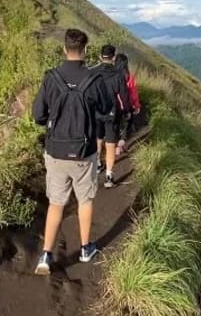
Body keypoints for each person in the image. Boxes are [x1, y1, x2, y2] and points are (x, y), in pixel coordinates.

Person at [32, 28, 113, 275]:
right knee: (85, 200)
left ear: (64, 49)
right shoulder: (94, 80)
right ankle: (86, 249)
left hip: (55, 151)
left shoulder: (51, 77)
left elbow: (37, 115)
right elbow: (106, 109)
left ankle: (46, 254)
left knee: (56, 203)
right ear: (86, 50)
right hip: (84, 151)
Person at [94, 44, 131, 188]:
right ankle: (109, 176)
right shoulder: (118, 75)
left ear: (100, 56)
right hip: (112, 113)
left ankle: (97, 163)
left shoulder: (93, 72)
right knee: (110, 145)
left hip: (96, 112)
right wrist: (127, 111)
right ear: (114, 57)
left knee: (97, 139)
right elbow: (124, 95)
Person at [114, 53, 141, 155]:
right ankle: (120, 146)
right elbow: (134, 94)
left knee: (115, 126)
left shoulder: (112, 75)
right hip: (127, 106)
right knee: (126, 126)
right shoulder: (129, 77)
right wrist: (137, 106)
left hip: (114, 106)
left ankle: (114, 145)